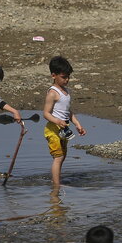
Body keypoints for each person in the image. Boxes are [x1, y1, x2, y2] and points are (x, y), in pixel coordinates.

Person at [43, 56, 86, 196]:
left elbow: (68, 112)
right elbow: (46, 113)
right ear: (53, 75)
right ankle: (56, 186)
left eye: (68, 77)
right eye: (63, 77)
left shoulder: (66, 92)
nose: (66, 80)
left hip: (64, 129)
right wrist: (57, 121)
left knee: (63, 156)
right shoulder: (52, 93)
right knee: (58, 157)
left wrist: (77, 124)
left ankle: (56, 181)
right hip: (53, 130)